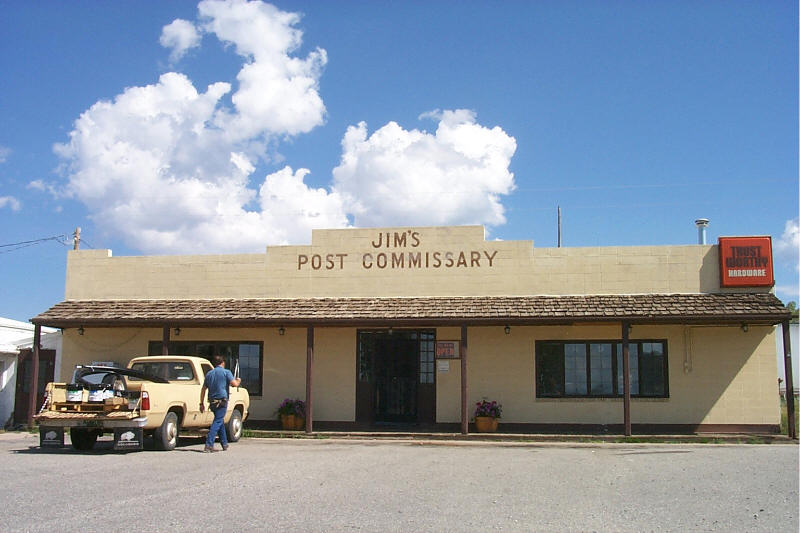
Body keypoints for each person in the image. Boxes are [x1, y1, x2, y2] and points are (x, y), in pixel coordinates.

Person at [199, 355, 241, 452]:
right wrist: (238, 381)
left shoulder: (209, 374)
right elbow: (235, 384)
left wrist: (201, 403)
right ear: (223, 363)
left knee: (220, 420)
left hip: (212, 401)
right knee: (217, 421)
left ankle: (224, 443)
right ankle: (209, 444)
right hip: (222, 400)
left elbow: (203, 389)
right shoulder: (226, 372)